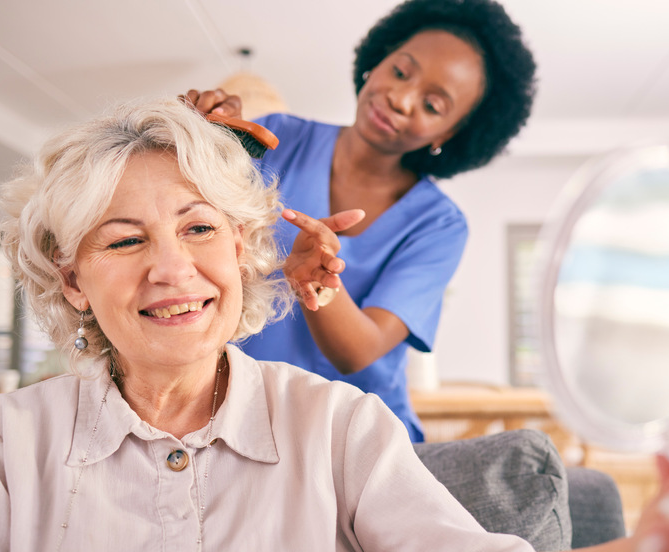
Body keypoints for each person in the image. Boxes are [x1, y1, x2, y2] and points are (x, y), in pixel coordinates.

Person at [0, 97, 669, 552]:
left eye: (200, 228)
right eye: (125, 239)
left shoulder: (338, 425)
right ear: (71, 278)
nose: (171, 268)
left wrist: (660, 551)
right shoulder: (1, 443)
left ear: (247, 251)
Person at [183, 0, 537, 442]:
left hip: (357, 438)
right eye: (401, 72)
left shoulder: (439, 224)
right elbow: (183, 230)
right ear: (379, 60)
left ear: (449, 133)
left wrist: (316, 283)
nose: (400, 98)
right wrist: (206, 134)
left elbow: (359, 353)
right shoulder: (277, 138)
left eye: (432, 104)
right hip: (238, 415)